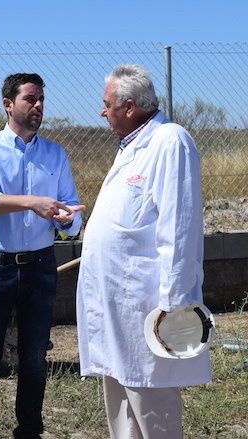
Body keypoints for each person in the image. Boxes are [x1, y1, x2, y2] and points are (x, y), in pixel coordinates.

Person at [76, 64, 211, 438]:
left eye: (107, 104)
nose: (102, 111)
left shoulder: (170, 142)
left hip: (147, 301)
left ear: (130, 106)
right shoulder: (131, 146)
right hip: (116, 300)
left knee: (150, 394)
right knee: (119, 387)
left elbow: (179, 225)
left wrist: (175, 303)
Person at [0, 73, 85, 439]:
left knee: (34, 357)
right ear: (8, 104)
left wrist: (67, 220)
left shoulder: (55, 153)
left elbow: (71, 214)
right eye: (30, 99)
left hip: (40, 266)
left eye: (42, 99)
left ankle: (30, 430)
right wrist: (33, 203)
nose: (38, 106)